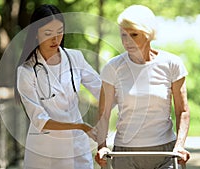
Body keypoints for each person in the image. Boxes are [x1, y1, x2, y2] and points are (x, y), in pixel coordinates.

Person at [94, 4, 190, 169]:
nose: (127, 41)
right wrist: (101, 145)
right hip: (125, 154)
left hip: (165, 152)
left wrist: (180, 145)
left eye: (134, 35)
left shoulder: (172, 64)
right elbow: (104, 113)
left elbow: (182, 111)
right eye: (123, 35)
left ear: (148, 34)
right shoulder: (113, 68)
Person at [14, 4, 101, 169]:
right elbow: (41, 121)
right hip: (45, 151)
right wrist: (80, 126)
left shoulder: (75, 58)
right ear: (36, 35)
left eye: (60, 31)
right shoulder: (26, 71)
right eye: (48, 34)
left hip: (77, 147)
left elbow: (102, 90)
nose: (56, 39)